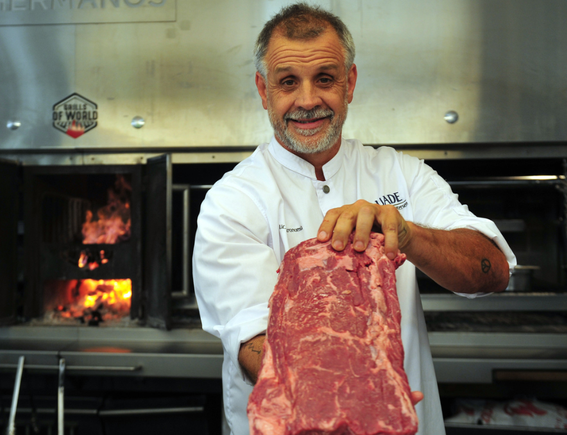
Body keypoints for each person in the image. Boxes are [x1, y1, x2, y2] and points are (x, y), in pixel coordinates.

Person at [192, 3, 516, 435]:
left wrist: (407, 234)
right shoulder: (232, 200)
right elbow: (251, 343)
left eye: (325, 78)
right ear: (263, 90)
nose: (308, 100)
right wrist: (359, 398)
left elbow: (493, 272)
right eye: (288, 82)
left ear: (350, 83)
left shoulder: (402, 174)